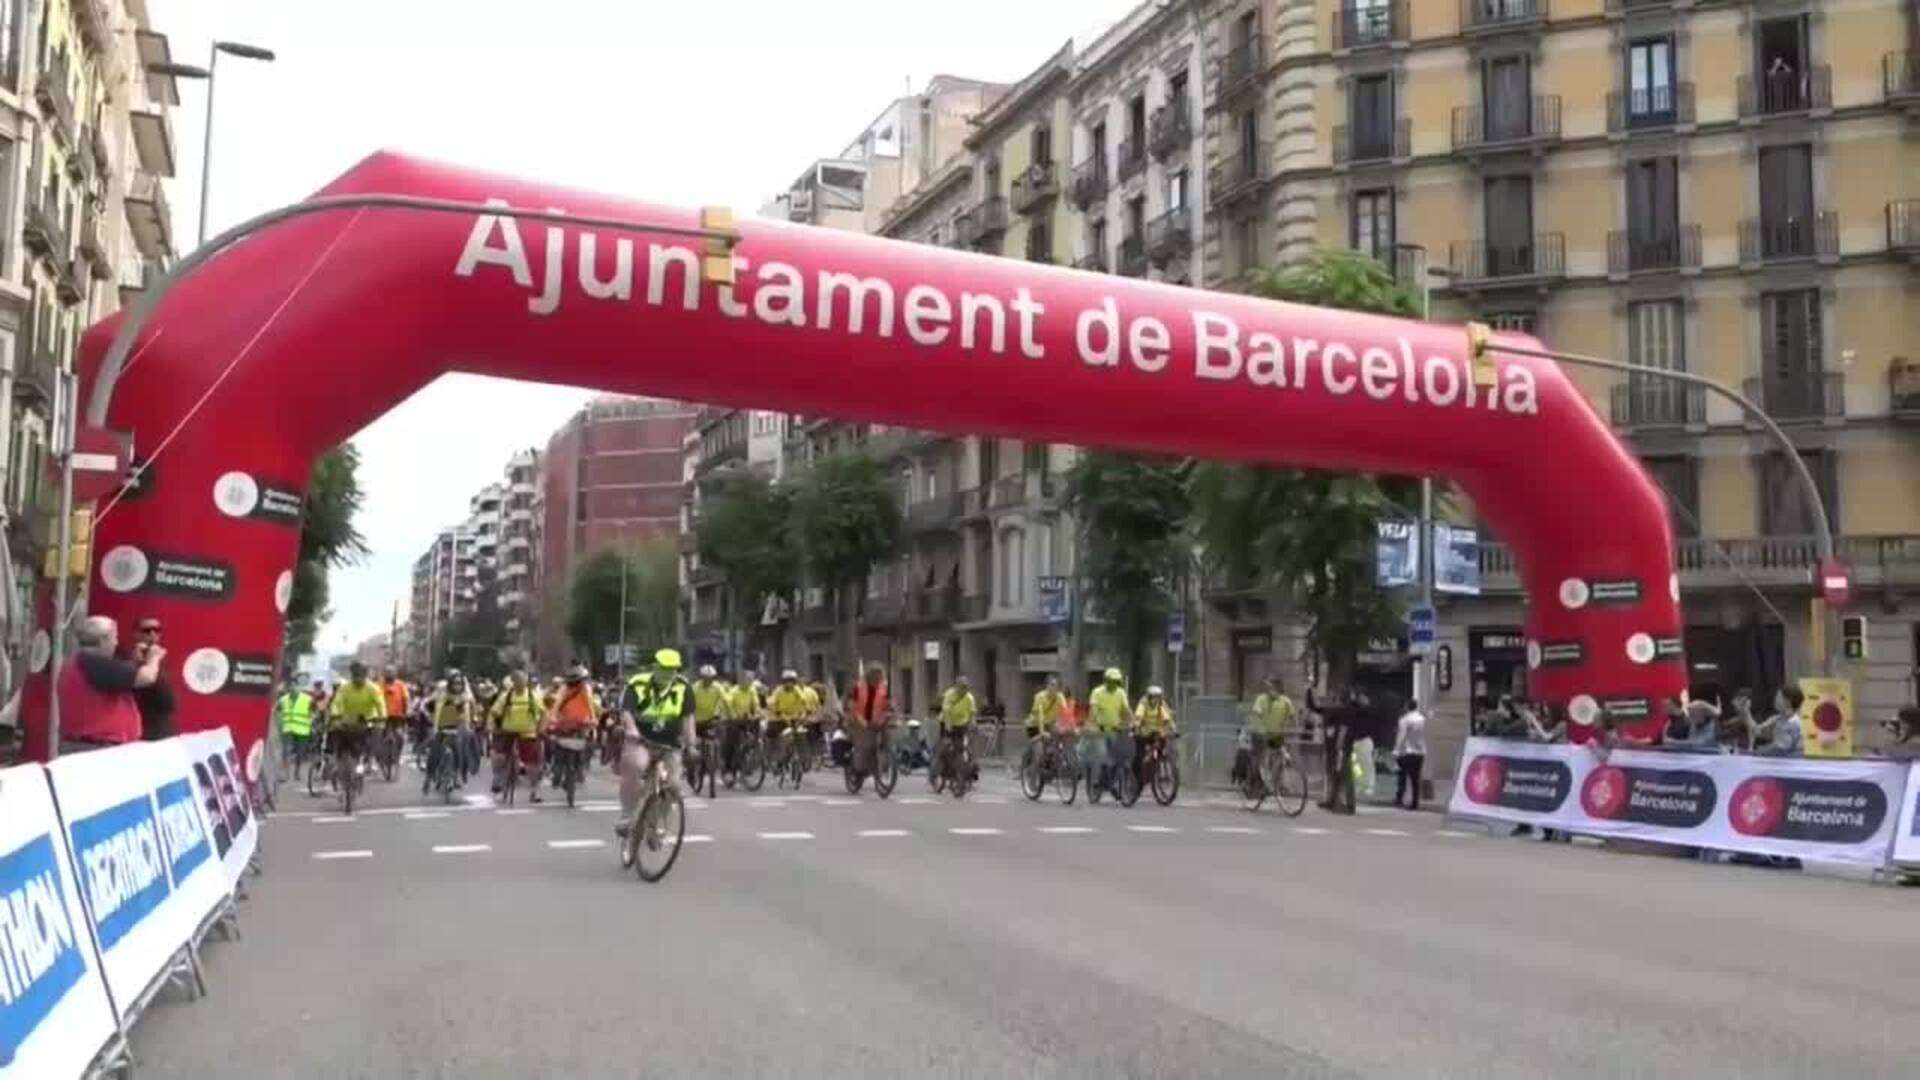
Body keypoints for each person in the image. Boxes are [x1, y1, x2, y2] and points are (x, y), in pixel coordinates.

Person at [44, 615, 163, 757]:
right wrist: (154, 658)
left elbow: (117, 677)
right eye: (115, 638)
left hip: (85, 746)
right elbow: (146, 677)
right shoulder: (93, 663)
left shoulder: (80, 663)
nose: (116, 643)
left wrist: (134, 662)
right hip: (97, 748)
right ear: (103, 640)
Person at [616, 648, 694, 837]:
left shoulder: (684, 688)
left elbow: (688, 719)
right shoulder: (638, 684)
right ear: (655, 667)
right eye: (664, 668)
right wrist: (632, 730)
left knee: (673, 784)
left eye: (672, 669)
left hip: (670, 744)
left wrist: (691, 744)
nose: (668, 673)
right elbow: (626, 712)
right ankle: (628, 814)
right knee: (635, 766)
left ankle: (658, 822)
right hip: (642, 741)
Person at [328, 662, 387, 785]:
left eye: (361, 676)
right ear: (352, 676)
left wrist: (382, 718)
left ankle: (370, 760)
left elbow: (380, 704)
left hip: (366, 722)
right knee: (336, 734)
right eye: (355, 676)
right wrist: (335, 715)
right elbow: (336, 703)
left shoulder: (373, 688)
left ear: (365, 676)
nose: (358, 680)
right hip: (347, 722)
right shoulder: (345, 688)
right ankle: (335, 764)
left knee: (376, 733)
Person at [491, 670, 546, 801]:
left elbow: (543, 713)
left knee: (532, 763)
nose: (521, 684)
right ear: (513, 683)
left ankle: (534, 792)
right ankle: (498, 780)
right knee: (500, 756)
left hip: (528, 732)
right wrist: (494, 726)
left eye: (523, 681)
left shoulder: (533, 696)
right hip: (508, 730)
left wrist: (541, 729)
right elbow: (495, 711)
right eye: (518, 682)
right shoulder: (507, 696)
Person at [423, 674, 475, 792]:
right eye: (455, 683)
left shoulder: (464, 695)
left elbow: (467, 713)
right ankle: (428, 777)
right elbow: (437, 711)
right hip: (442, 722)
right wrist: (435, 728)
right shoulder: (443, 694)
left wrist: (468, 727)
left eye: (460, 683)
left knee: (461, 749)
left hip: (456, 724)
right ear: (450, 684)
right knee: (435, 752)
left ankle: (458, 775)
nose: (458, 686)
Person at [1085, 668, 1131, 794]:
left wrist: (1132, 722)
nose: (1114, 684)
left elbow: (1126, 710)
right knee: (1102, 753)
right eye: (1111, 681)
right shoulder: (1097, 692)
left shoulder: (1121, 693)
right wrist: (1092, 724)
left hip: (1115, 730)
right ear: (1106, 681)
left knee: (1119, 755)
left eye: (1116, 682)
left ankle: (1114, 782)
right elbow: (1093, 711)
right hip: (1101, 730)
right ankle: (1095, 782)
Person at [130, 617, 176, 741]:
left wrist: (154, 662)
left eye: (157, 630)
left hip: (159, 730)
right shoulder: (127, 660)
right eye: (146, 630)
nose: (152, 634)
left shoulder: (161, 660)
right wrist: (135, 663)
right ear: (136, 634)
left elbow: (169, 702)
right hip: (136, 730)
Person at [845, 664, 891, 782]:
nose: (878, 679)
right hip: (858, 720)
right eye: (875, 677)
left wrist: (891, 715)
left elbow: (888, 704)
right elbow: (851, 706)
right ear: (869, 676)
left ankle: (885, 764)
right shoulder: (858, 687)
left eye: (880, 677)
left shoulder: (884, 687)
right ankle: (858, 769)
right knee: (865, 745)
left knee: (887, 739)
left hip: (877, 720)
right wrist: (859, 719)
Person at [765, 670, 814, 767]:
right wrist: (776, 710)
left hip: (793, 718)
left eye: (792, 681)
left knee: (801, 734)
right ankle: (778, 758)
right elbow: (771, 701)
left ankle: (803, 758)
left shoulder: (796, 690)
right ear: (783, 682)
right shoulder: (779, 690)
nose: (790, 684)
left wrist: (808, 709)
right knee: (781, 736)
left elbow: (803, 699)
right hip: (779, 718)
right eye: (787, 681)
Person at [690, 664, 733, 769]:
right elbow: (689, 704)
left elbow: (726, 700)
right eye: (706, 678)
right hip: (696, 721)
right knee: (692, 745)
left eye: (711, 678)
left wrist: (731, 715)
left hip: (711, 719)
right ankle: (691, 767)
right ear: (701, 677)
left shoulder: (717, 687)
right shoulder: (695, 688)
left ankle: (719, 758)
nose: (708, 681)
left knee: (721, 734)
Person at [936, 675, 978, 783]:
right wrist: (948, 727)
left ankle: (961, 771)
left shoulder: (969, 698)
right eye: (961, 687)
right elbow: (946, 711)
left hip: (961, 724)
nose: (963, 690)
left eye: (965, 687)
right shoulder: (950, 695)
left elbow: (972, 713)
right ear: (956, 686)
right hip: (946, 722)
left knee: (961, 747)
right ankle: (941, 766)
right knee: (946, 745)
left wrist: (973, 723)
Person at [1132, 685, 1176, 786]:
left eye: (1157, 697)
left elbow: (1167, 717)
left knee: (1162, 747)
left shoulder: (1161, 704)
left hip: (1157, 732)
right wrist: (1136, 726)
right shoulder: (1143, 703)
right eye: (1153, 697)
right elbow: (1139, 715)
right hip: (1144, 732)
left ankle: (1159, 766)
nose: (1155, 700)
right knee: (1140, 754)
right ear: (1149, 697)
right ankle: (1137, 775)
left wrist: (1173, 729)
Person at [273, 678, 317, 777]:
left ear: (298, 687)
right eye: (291, 686)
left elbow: (315, 710)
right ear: (288, 688)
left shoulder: (307, 699)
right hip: (288, 729)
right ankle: (286, 773)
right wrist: (278, 722)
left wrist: (312, 719)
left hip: (302, 730)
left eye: (294, 686)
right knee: (286, 751)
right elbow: (275, 710)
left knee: (300, 753)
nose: (292, 688)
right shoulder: (283, 699)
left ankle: (297, 771)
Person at [1393, 698, 1428, 810]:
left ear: (1407, 706)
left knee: (1402, 774)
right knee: (1415, 778)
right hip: (1420, 752)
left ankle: (1400, 797)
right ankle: (1415, 802)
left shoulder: (1404, 720)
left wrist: (1396, 750)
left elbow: (1401, 736)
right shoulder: (1422, 719)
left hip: (1407, 751)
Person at [1755, 686, 1805, 757]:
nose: (1775, 699)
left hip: (1791, 764)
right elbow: (1757, 731)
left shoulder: (1793, 723)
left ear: (1787, 701)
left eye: (1778, 697)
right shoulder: (1777, 718)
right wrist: (1745, 713)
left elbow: (1781, 748)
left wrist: (1761, 751)